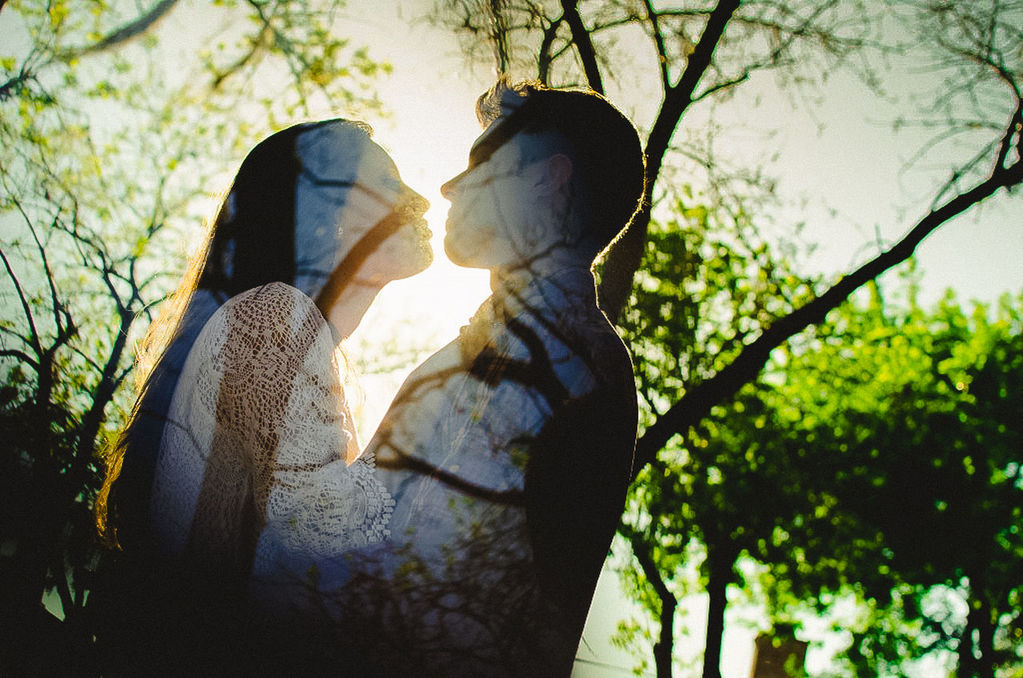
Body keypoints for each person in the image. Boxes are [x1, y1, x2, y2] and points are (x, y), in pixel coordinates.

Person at [327, 80, 645, 676]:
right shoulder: (493, 352)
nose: (448, 187)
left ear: (547, 178)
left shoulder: (562, 364)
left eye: (481, 163)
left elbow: (393, 583)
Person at [92, 118, 432, 673]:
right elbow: (325, 556)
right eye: (390, 182)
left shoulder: (294, 340)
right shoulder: (272, 319)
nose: (417, 200)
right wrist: (443, 389)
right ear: (328, 214)